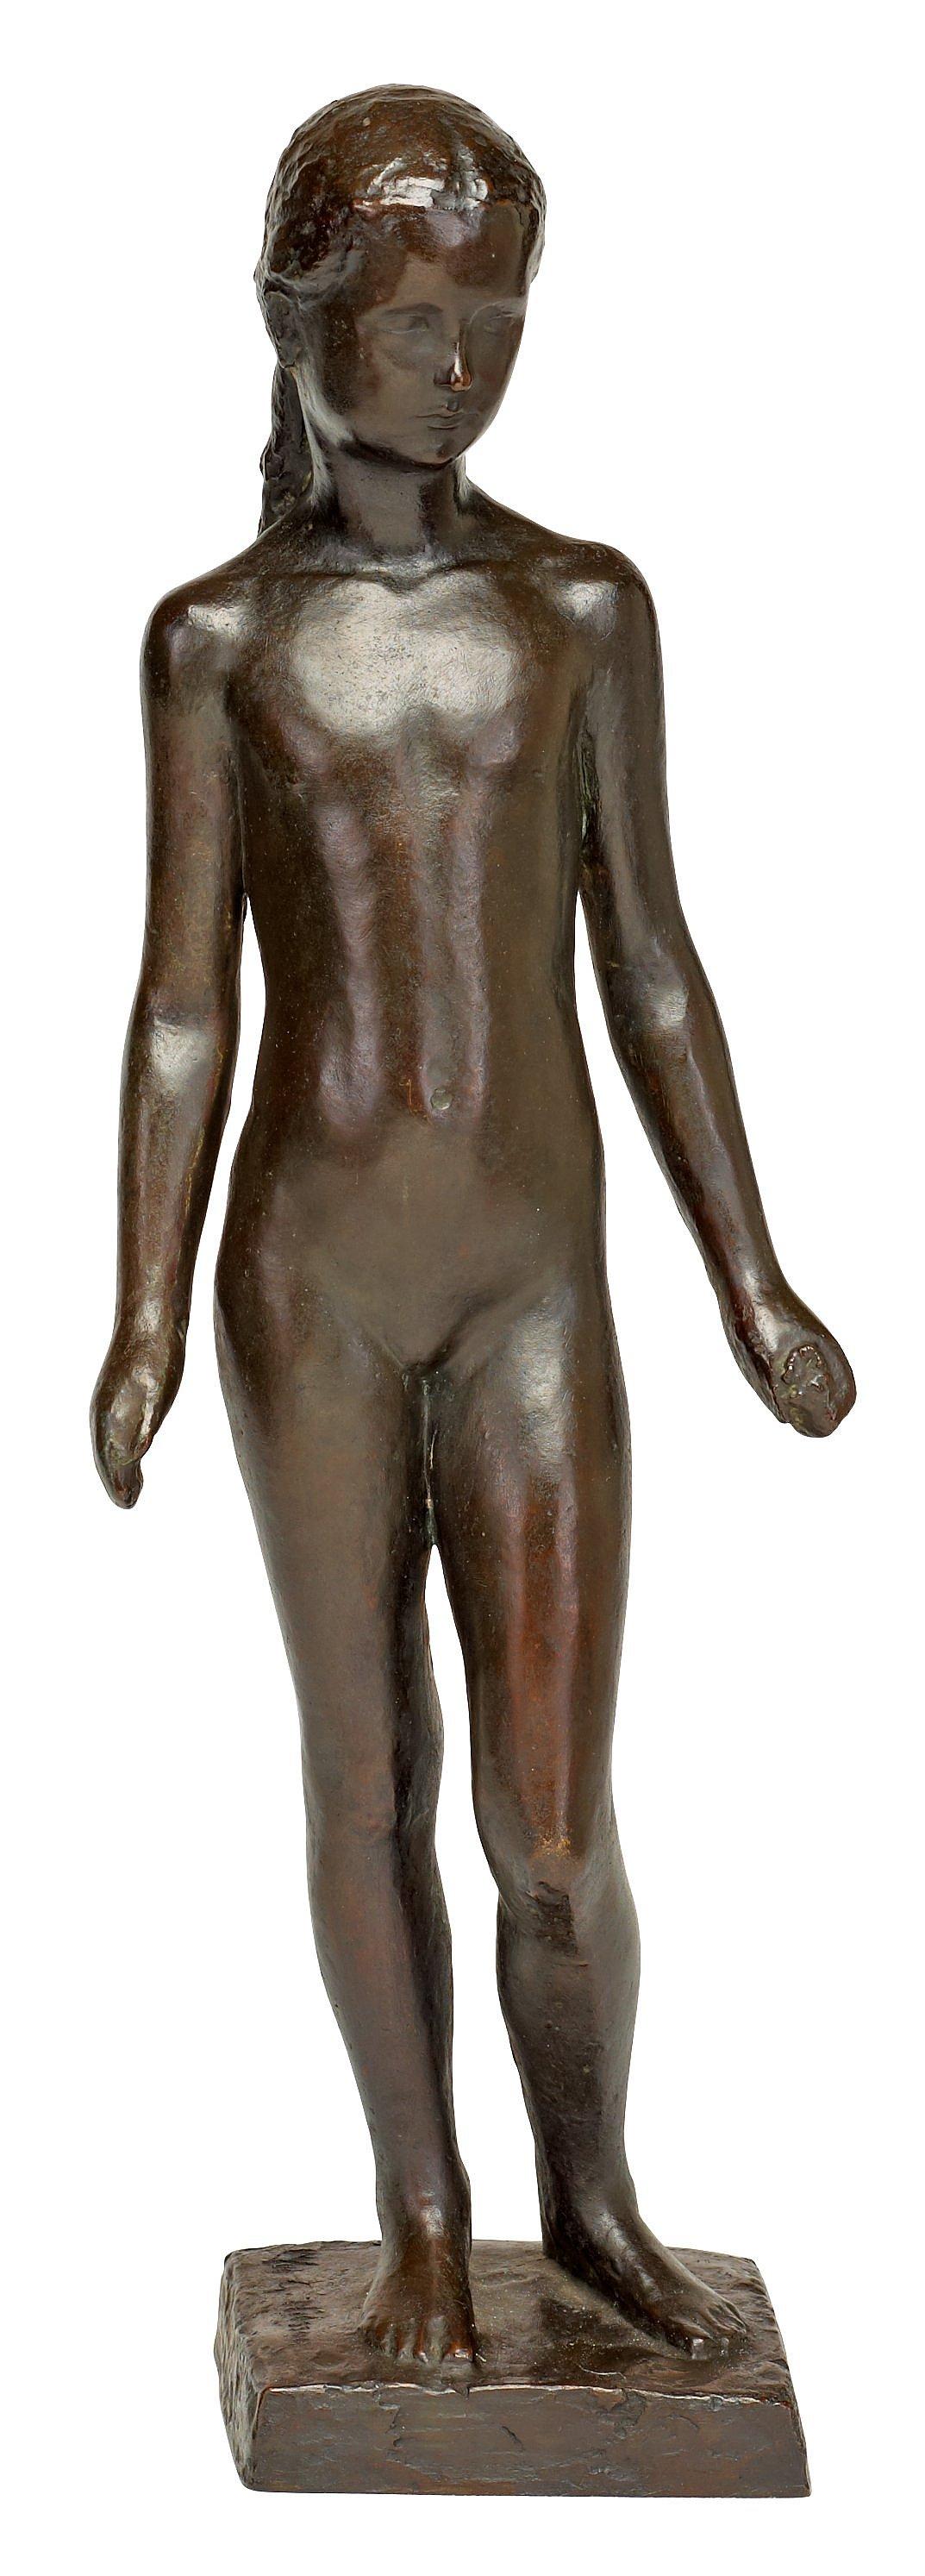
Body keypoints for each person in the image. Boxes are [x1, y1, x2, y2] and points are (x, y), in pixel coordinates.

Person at [91, 86, 854, 2367]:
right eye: (417, 320)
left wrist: (748, 1277)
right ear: (295, 314)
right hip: (307, 1291)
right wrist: (142, 1310)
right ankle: (421, 2228)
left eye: (495, 319)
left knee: (548, 1822)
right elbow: (182, 1006)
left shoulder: (579, 609)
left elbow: (650, 967)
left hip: (531, 1286)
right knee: (366, 1782)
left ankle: (590, 2201)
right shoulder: (217, 641)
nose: (458, 364)